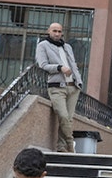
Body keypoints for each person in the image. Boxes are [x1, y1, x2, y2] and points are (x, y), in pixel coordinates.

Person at [35, 22, 83, 152]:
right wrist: (59, 68)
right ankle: (70, 142)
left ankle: (61, 147)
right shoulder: (43, 46)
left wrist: (78, 80)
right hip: (57, 87)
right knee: (62, 115)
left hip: (73, 87)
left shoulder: (67, 47)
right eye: (54, 31)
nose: (57, 34)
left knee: (69, 119)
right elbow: (43, 65)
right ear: (48, 31)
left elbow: (73, 64)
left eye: (59, 31)